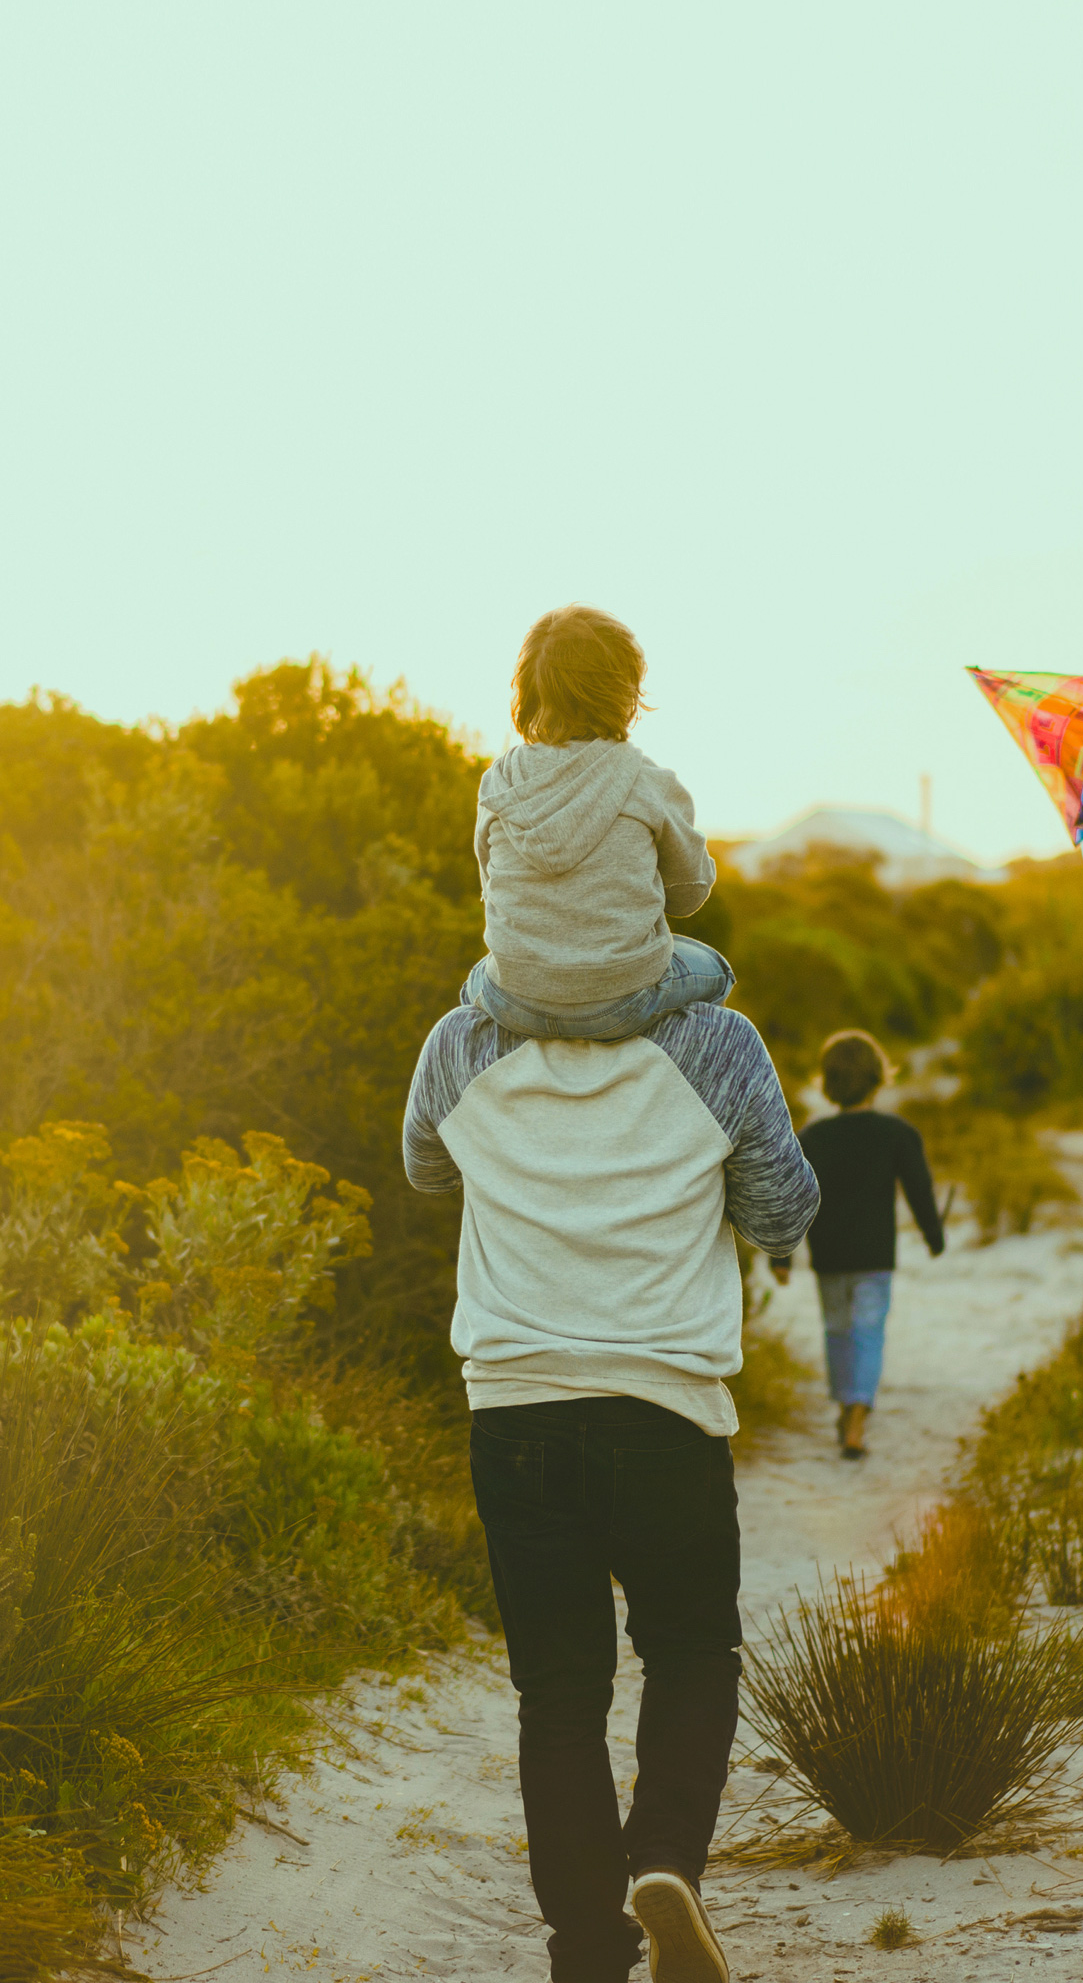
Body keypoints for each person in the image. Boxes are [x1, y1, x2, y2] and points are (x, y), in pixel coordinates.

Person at [405, 962, 819, 1980]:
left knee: (557, 1693)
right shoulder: (717, 1045)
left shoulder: (461, 1043)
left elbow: (426, 1168)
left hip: (515, 1415)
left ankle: (587, 1951)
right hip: (664, 1416)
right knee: (691, 1650)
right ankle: (667, 1860)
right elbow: (782, 1215)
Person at [461, 605, 735, 1042]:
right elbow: (689, 895)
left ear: (529, 689)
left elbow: (490, 890)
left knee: (476, 977)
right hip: (622, 1003)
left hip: (514, 1001)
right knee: (717, 970)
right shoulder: (649, 781)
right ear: (623, 692)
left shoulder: (499, 782)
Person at [770, 1029, 944, 1459]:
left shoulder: (811, 1137)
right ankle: (858, 1419)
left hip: (828, 1256)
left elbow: (789, 1197)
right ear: (878, 1077)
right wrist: (934, 1236)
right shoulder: (897, 1133)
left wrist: (781, 1255)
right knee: (868, 1331)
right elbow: (919, 1190)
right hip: (874, 1256)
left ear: (827, 1083)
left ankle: (846, 1403)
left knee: (837, 1330)